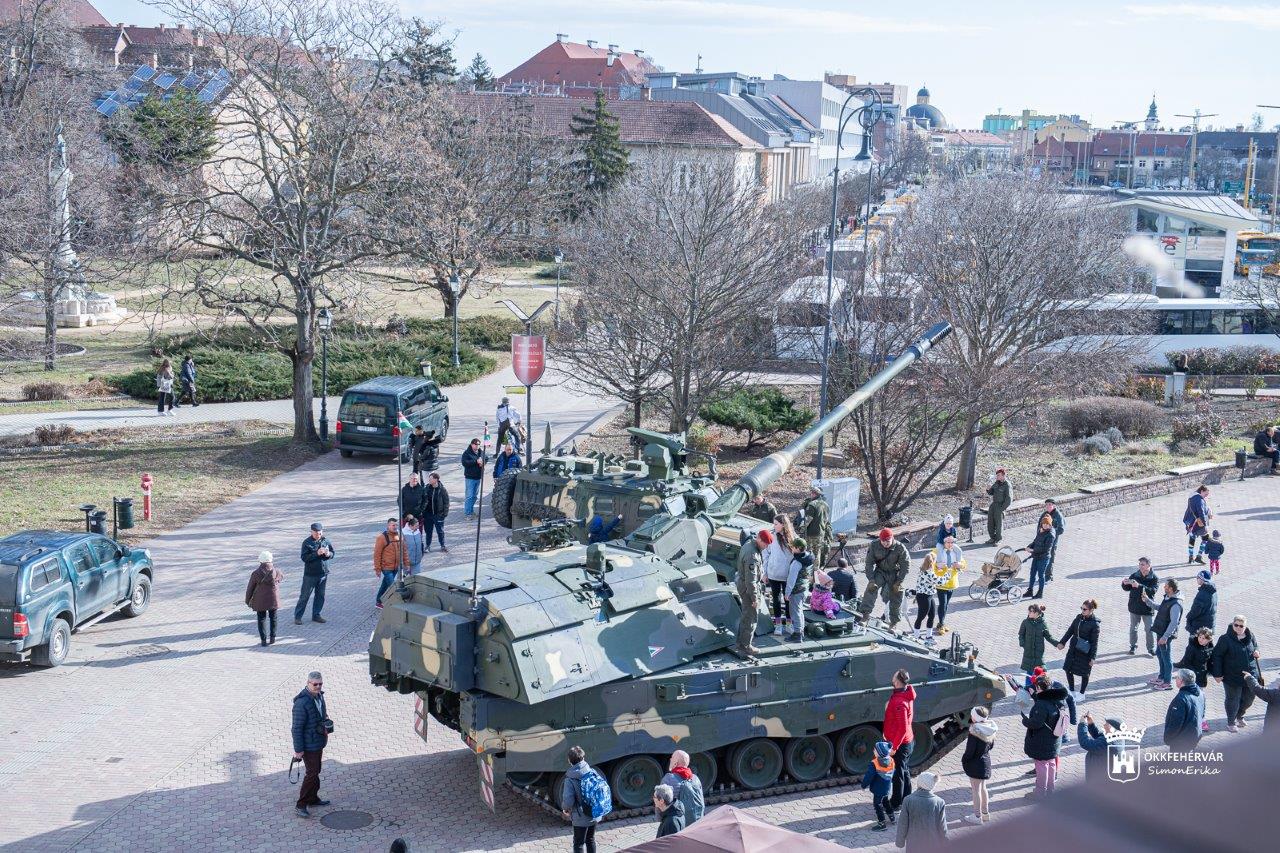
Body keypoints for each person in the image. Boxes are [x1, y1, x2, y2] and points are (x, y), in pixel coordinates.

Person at [1210, 614, 1262, 732]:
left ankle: (1240, 715)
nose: (1238, 627)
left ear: (1245, 626)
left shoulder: (1250, 635)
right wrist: (1217, 674)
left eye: (1241, 626)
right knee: (1233, 699)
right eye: (1236, 625)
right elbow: (1217, 656)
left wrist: (1257, 651)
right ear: (1233, 625)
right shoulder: (1225, 639)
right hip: (1231, 676)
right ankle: (1231, 721)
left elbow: (1255, 646)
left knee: (1249, 698)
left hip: (1250, 675)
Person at [291, 671, 331, 817]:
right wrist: (299, 750)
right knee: (312, 773)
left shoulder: (319, 696)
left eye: (320, 684)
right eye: (315, 684)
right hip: (309, 745)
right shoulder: (301, 703)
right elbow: (296, 728)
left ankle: (313, 798)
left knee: (316, 770)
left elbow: (320, 714)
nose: (318, 686)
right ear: (308, 683)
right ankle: (301, 804)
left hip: (318, 741)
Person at [1022, 674, 1067, 797]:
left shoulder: (1041, 704)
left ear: (1039, 688)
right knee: (1051, 763)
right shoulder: (1058, 699)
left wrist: (1025, 721)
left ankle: (1040, 792)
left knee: (1041, 765)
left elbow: (1036, 723)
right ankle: (1050, 790)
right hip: (1054, 739)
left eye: (1037, 687)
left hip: (1042, 740)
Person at [859, 528, 911, 629]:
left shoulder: (900, 548)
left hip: (895, 573)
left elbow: (906, 565)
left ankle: (893, 623)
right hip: (880, 571)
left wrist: (899, 581)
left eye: (888, 541)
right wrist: (871, 579)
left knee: (897, 594)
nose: (885, 543)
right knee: (871, 588)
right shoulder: (874, 545)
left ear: (892, 538)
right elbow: (869, 563)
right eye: (883, 541)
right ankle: (865, 615)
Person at [734, 529, 771, 657]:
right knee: (751, 617)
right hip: (748, 588)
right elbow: (751, 581)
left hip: (743, 584)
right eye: (765, 544)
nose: (766, 547)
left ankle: (741, 642)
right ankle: (746, 646)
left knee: (746, 615)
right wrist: (755, 598)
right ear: (759, 539)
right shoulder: (752, 555)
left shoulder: (749, 544)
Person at [884, 669, 916, 813]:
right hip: (908, 740)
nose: (892, 676)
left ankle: (896, 803)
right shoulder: (905, 693)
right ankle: (907, 798)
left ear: (897, 681)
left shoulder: (899, 702)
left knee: (898, 774)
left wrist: (894, 747)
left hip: (901, 744)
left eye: (894, 675)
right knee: (904, 770)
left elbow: (902, 729)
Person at [1143, 579, 1183, 690]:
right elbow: (1161, 608)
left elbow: (1174, 622)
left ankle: (1167, 682)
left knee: (1166, 658)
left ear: (1171, 588)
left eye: (1166, 586)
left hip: (1165, 634)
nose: (1164, 587)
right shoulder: (1168, 598)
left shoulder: (1176, 604)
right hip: (1160, 631)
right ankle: (1161, 677)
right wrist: (1148, 601)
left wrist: (1165, 637)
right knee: (1160, 655)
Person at [960, 707, 996, 825]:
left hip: (975, 764)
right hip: (985, 762)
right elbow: (991, 746)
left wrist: (964, 760)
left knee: (976, 790)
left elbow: (970, 752)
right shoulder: (990, 728)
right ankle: (985, 814)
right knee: (983, 788)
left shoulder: (974, 731)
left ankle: (977, 816)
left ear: (974, 717)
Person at [560, 746, 600, 853]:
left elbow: (568, 801)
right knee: (591, 840)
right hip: (594, 813)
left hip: (580, 816)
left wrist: (565, 809)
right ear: (583, 757)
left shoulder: (570, 779)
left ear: (569, 760)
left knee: (578, 843)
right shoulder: (592, 771)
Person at [894, 771, 946, 851]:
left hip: (913, 842)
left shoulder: (908, 800)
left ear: (919, 784)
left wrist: (900, 842)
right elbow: (942, 825)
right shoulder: (940, 802)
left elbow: (903, 823)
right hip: (932, 842)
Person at [1176, 627, 1216, 732]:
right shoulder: (1192, 647)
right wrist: (1194, 675)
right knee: (1189, 699)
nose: (1201, 640)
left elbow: (1211, 662)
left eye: (1204, 638)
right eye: (1200, 637)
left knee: (1201, 699)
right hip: (1191, 678)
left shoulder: (1210, 647)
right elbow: (1187, 662)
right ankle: (1188, 719)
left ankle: (1202, 720)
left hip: (1202, 677)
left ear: (1209, 640)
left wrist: (1213, 673)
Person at [1058, 599, 1100, 696]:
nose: (1082, 611)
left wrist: (1092, 657)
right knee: (1067, 669)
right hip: (1073, 649)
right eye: (1081, 608)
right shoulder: (1078, 618)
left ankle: (1081, 694)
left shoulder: (1095, 624)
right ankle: (1072, 690)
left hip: (1085, 652)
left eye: (1084, 609)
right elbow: (1070, 630)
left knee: (1085, 673)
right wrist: (1062, 642)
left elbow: (1095, 643)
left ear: (1091, 610)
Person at [764, 516, 798, 635]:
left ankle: (789, 624)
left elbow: (799, 555)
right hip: (773, 574)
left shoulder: (794, 538)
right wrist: (765, 573)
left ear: (783, 524)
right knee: (776, 599)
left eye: (776, 524)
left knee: (788, 600)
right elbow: (766, 555)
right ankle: (778, 625)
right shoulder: (771, 537)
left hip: (788, 575)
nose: (774, 526)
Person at [295, 523, 333, 625]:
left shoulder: (326, 541)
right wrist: (317, 553)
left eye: (320, 533)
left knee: (320, 595)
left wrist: (328, 554)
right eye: (316, 533)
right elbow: (304, 558)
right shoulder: (307, 543)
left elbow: (332, 553)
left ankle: (316, 615)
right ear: (311, 532)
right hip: (310, 575)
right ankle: (298, 616)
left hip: (323, 574)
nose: (318, 535)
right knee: (304, 596)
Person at [1122, 557, 1159, 656]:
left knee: (1149, 629)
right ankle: (1133, 646)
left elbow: (1153, 591)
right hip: (1134, 606)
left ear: (1148, 565)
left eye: (1142, 564)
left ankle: (1151, 648)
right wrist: (1124, 583)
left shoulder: (1154, 578)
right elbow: (1127, 588)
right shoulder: (1135, 575)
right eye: (1139, 564)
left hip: (1147, 607)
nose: (1140, 566)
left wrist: (1139, 586)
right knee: (1133, 628)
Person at [245, 551, 282, 647]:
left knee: (261, 619)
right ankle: (273, 638)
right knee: (273, 618)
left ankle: (263, 640)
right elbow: (281, 577)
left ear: (260, 560)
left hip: (260, 600)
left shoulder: (256, 573)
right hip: (273, 600)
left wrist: (247, 600)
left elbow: (250, 588)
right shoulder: (277, 571)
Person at [1163, 668, 1205, 749]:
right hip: (1194, 737)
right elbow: (1202, 714)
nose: (1175, 680)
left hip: (1181, 741)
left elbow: (1175, 723)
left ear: (1181, 680)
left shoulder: (1180, 699)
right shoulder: (1200, 693)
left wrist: (1167, 738)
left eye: (1177, 677)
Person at [660, 751, 704, 826]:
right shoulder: (695, 778)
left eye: (672, 758)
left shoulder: (668, 779)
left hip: (678, 824)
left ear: (675, 763)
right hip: (696, 822)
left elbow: (660, 803)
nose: (670, 759)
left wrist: (661, 822)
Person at [372, 518, 408, 609]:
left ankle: (378, 601)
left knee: (385, 584)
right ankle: (398, 603)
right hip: (386, 567)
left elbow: (404, 551)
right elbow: (377, 554)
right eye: (393, 525)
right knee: (392, 585)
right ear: (388, 526)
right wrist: (377, 569)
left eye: (396, 525)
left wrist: (406, 563)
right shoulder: (382, 538)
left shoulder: (400, 536)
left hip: (395, 567)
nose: (395, 527)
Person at [1076, 713, 1123, 782]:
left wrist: (1082, 725)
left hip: (1099, 780)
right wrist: (1091, 724)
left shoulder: (1107, 743)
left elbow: (1085, 743)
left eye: (1106, 724)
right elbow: (1099, 736)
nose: (1104, 725)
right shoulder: (1117, 737)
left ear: (1112, 728)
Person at [931, 536, 963, 635]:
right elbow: (929, 564)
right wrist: (937, 566)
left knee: (946, 605)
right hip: (941, 583)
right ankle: (941, 623)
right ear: (943, 542)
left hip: (951, 583)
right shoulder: (936, 552)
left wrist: (960, 565)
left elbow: (963, 563)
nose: (950, 544)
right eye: (948, 542)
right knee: (943, 604)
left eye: (952, 542)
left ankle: (941, 622)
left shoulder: (956, 552)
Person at [784, 538, 814, 642]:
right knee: (800, 611)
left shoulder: (797, 562)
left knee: (795, 612)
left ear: (798, 548)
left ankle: (797, 634)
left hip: (796, 590)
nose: (791, 548)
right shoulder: (809, 557)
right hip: (805, 589)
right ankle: (801, 632)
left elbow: (791, 579)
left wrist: (787, 593)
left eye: (793, 547)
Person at [861, 740, 895, 831]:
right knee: (886, 801)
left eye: (875, 750)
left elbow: (869, 776)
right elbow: (893, 772)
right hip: (887, 787)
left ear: (879, 753)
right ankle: (892, 817)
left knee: (877, 804)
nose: (873, 751)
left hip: (878, 789)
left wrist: (864, 785)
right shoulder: (891, 760)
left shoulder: (874, 763)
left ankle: (882, 823)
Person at [1019, 515, 1056, 599]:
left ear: (1050, 525)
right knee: (1032, 573)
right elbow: (1035, 541)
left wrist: (1033, 550)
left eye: (1047, 524)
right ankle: (1030, 590)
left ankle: (1040, 593)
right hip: (1036, 556)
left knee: (1041, 575)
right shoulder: (1041, 530)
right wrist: (1028, 547)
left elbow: (1046, 549)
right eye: (1044, 523)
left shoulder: (1051, 535)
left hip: (1044, 557)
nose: (1045, 525)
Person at [1184, 569, 1217, 658]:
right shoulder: (1212, 590)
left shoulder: (1203, 593)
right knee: (1207, 645)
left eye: (1197, 577)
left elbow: (1196, 610)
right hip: (1209, 622)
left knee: (1193, 643)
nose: (1197, 579)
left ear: (1201, 579)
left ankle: (1187, 662)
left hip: (1200, 624)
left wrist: (1189, 617)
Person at [1018, 604, 1057, 674]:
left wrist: (1057, 644)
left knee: (1041, 675)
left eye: (1030, 611)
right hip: (1028, 653)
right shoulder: (1025, 622)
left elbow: (1048, 637)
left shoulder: (1043, 624)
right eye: (1028, 611)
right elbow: (1021, 634)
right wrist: (1023, 644)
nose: (1028, 613)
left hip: (1038, 654)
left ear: (1036, 613)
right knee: (1029, 675)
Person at [800, 487, 832, 568]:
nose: (810, 494)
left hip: (811, 533)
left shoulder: (812, 504)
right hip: (821, 533)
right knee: (817, 552)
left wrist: (801, 529)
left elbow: (808, 520)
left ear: (815, 494)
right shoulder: (826, 505)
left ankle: (809, 570)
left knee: (809, 552)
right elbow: (826, 520)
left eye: (812, 493)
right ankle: (816, 571)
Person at [1182, 485, 1213, 565]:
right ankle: (1199, 556)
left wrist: (1208, 508)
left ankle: (1190, 557)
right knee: (1205, 538)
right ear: (1201, 491)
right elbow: (1201, 512)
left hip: (1190, 523)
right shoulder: (1199, 500)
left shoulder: (1192, 497)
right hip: (1198, 524)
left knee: (1192, 540)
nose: (1206, 496)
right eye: (1205, 494)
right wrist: (1205, 524)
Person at [912, 553, 940, 637]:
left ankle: (929, 636)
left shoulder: (927, 569)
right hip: (924, 596)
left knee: (931, 615)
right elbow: (939, 581)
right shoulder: (928, 572)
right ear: (933, 561)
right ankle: (916, 636)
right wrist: (947, 574)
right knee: (921, 617)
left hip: (930, 595)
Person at [423, 472, 449, 553]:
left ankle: (442, 545)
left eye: (430, 479)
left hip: (438, 515)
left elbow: (446, 502)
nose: (429, 480)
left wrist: (444, 514)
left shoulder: (442, 489)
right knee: (428, 531)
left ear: (436, 479)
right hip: (428, 515)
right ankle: (427, 546)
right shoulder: (427, 488)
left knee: (440, 531)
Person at [986, 468, 1011, 544]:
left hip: (1000, 506)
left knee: (998, 524)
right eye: (996, 475)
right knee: (990, 522)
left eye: (998, 475)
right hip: (993, 505)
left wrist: (1002, 509)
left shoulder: (1007, 485)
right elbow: (991, 492)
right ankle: (992, 538)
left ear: (1003, 475)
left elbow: (1009, 499)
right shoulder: (997, 483)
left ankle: (998, 539)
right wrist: (988, 489)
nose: (997, 476)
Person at [1042, 499, 1065, 581]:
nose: (1048, 506)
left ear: (1054, 505)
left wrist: (1051, 533)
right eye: (1046, 504)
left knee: (1050, 558)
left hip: (1052, 541)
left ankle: (1048, 576)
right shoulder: (1045, 514)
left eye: (1049, 504)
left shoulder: (1058, 515)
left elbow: (1061, 529)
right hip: (1043, 540)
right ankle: (1043, 575)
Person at [461, 438, 485, 517]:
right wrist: (476, 461)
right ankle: (468, 513)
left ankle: (471, 511)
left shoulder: (481, 452)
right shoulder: (467, 453)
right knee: (469, 496)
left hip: (478, 477)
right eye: (475, 444)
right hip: (470, 478)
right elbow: (465, 463)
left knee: (474, 496)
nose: (477, 446)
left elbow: (486, 458)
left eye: (478, 444)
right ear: (471, 444)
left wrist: (483, 462)